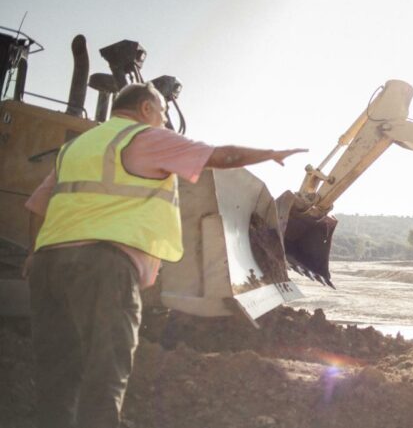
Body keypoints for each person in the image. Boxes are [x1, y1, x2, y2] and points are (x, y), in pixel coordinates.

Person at [23, 82, 306, 428]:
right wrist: (270, 153)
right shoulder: (141, 137)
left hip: (48, 266)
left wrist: (35, 253)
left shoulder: (77, 147)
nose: (165, 121)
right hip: (103, 266)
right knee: (106, 373)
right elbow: (221, 156)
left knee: (56, 375)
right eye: (163, 112)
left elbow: (37, 206)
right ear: (145, 109)